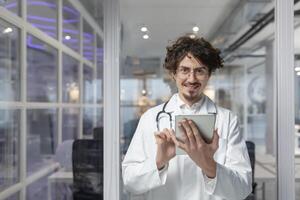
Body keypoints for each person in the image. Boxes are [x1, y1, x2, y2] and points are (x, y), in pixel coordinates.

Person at [122, 35, 252, 200]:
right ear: (174, 73)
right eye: (185, 70)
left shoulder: (227, 120)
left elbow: (242, 189)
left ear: (209, 74)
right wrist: (159, 162)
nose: (192, 79)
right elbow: (129, 182)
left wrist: (207, 163)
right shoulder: (150, 118)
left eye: (200, 71)